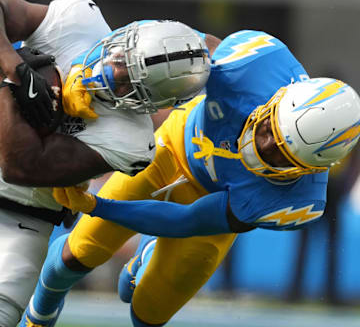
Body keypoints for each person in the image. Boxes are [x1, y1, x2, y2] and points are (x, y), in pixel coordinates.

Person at [21, 28, 360, 327]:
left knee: (147, 314)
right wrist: (90, 74)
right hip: (171, 150)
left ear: (309, 168)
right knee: (78, 253)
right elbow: (161, 44)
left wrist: (97, 204)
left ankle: (146, 258)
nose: (264, 142)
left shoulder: (301, 202)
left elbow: (187, 220)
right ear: (278, 101)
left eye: (278, 152)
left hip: (208, 209)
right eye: (270, 127)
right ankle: (39, 317)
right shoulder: (251, 65)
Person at [0, 0, 212, 327]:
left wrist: (10, 85)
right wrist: (14, 64)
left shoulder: (131, 142)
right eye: (120, 59)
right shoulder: (77, 20)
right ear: (124, 37)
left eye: (131, 85)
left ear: (153, 105)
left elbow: (20, 166)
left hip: (20, 219)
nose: (114, 75)